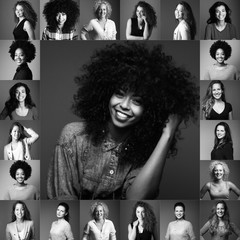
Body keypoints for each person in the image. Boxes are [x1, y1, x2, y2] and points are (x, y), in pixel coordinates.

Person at [47, 42, 199, 200]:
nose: (124, 105)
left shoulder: (146, 149)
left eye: (137, 101)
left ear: (150, 110)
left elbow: (136, 201)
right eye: (119, 94)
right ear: (105, 94)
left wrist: (167, 134)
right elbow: (64, 205)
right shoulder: (73, 137)